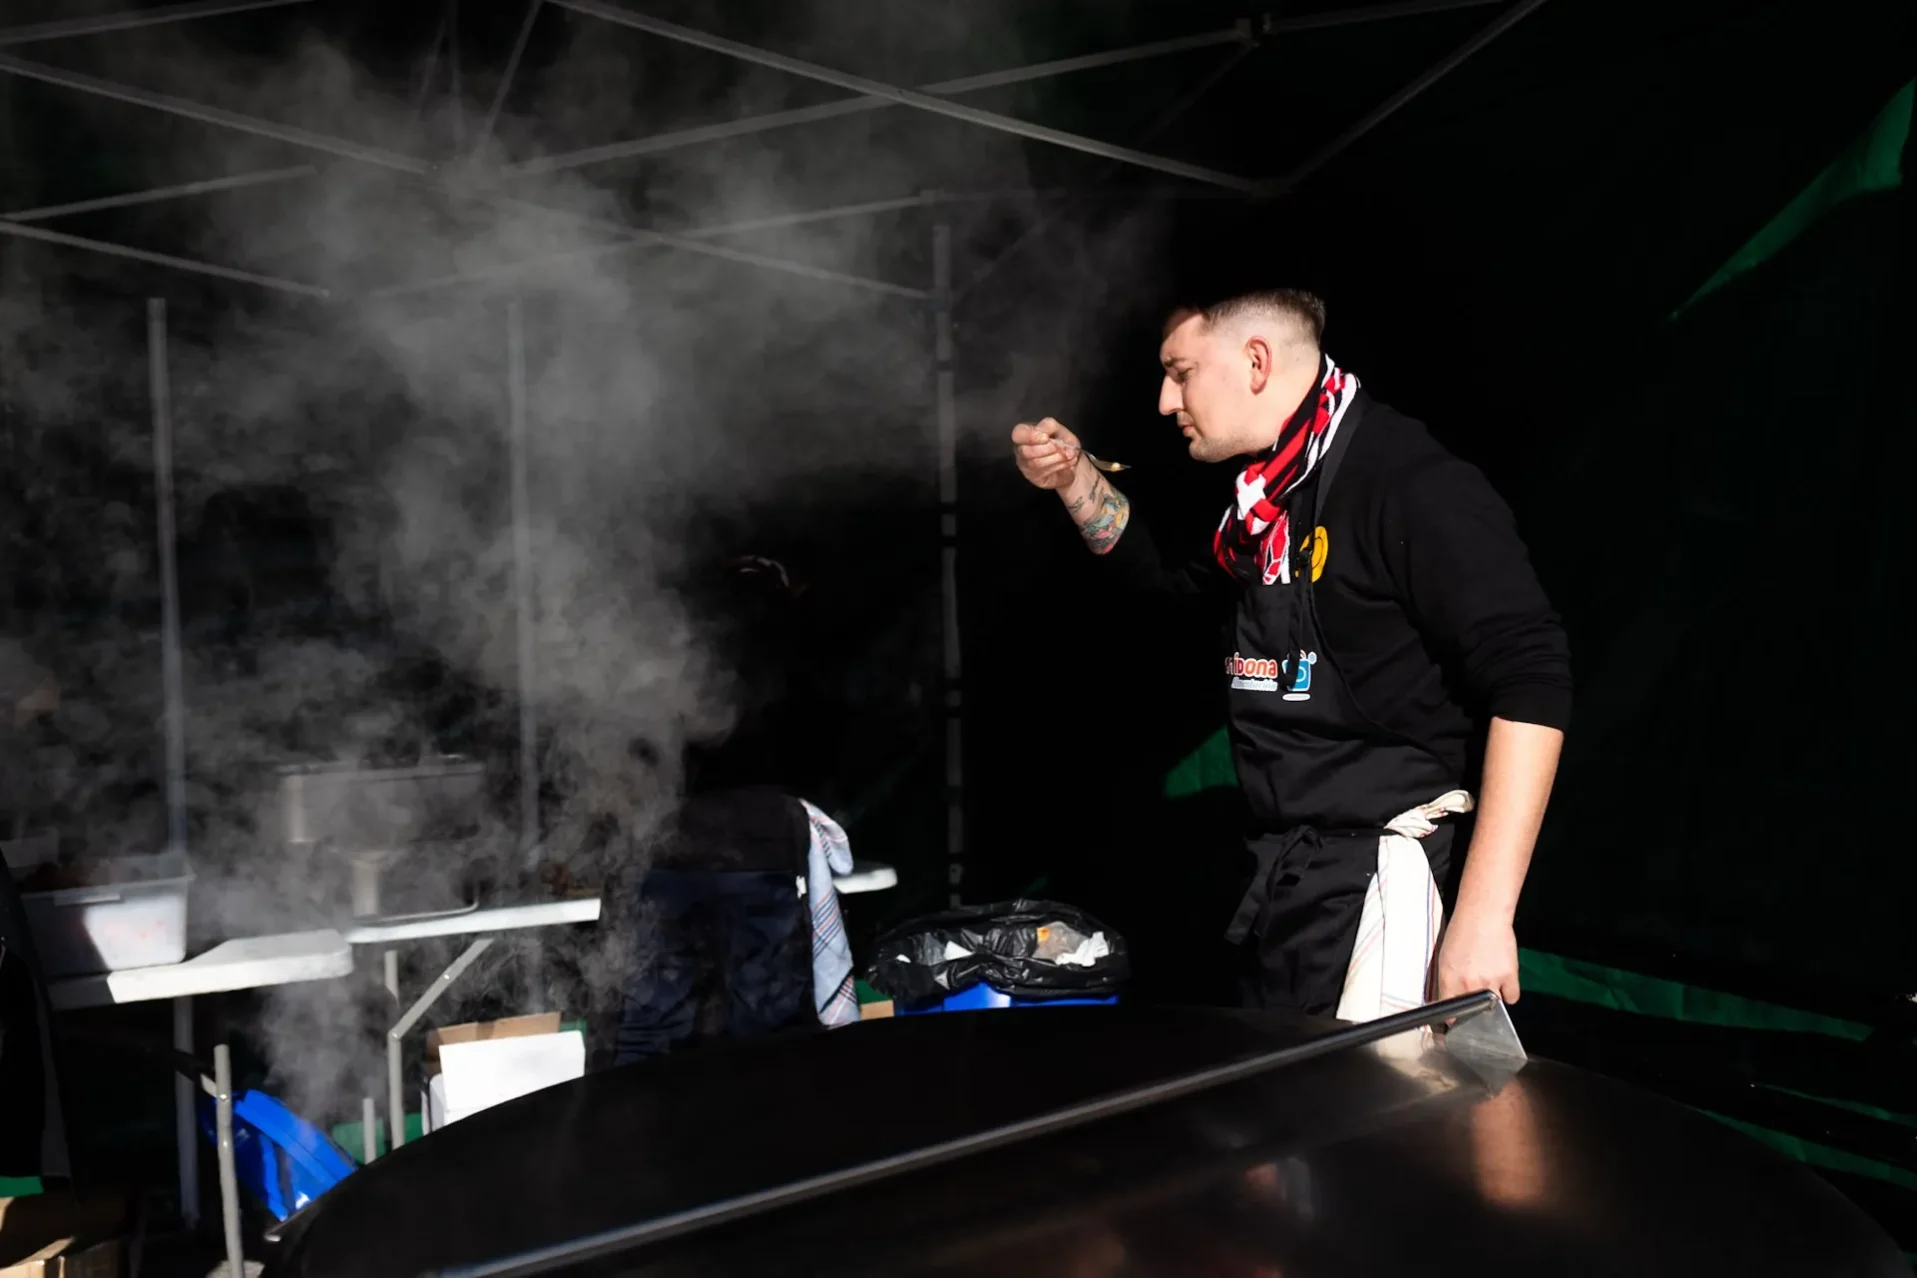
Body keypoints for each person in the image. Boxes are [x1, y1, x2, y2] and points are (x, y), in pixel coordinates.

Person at [1010, 288, 1570, 1019]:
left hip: (1388, 889)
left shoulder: (1409, 482)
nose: (1161, 400)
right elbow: (1168, 594)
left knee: (1380, 1128)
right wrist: (1075, 482)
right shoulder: (1263, 501)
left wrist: (1484, 917)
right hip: (1289, 885)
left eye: (1179, 372)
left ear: (1254, 360)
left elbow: (1531, 679)